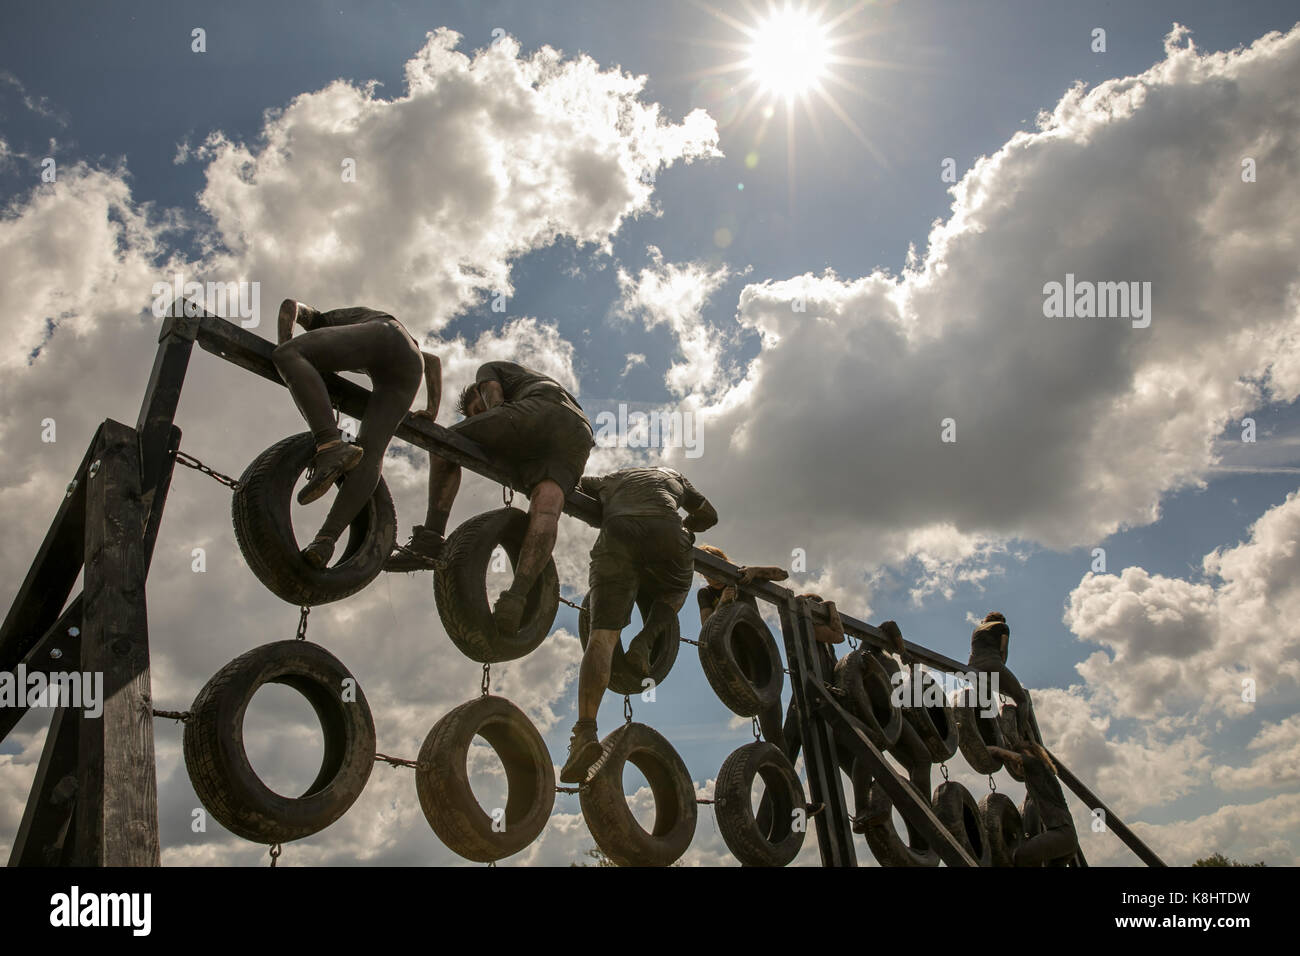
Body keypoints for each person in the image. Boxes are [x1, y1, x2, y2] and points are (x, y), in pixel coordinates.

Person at [385, 360, 595, 639]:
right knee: (546, 511)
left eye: (475, 413)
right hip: (579, 433)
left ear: (477, 393)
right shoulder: (540, 385)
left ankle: (431, 537)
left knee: (444, 442)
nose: (475, 420)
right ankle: (516, 599)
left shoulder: (488, 371)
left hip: (541, 412)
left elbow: (496, 408)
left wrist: (488, 417)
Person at [559, 466, 717, 784]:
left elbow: (572, 481)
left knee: (601, 637)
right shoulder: (674, 476)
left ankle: (585, 732)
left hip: (617, 531)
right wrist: (687, 525)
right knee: (674, 590)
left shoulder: (609, 480)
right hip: (668, 534)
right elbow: (709, 516)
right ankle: (645, 642)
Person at [271, 299, 439, 569]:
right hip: (410, 364)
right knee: (370, 454)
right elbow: (431, 361)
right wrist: (432, 409)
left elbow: (291, 305)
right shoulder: (382, 343)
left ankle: (329, 444)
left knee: (288, 356)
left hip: (386, 332)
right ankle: (325, 542)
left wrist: (284, 341)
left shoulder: (325, 321)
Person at [986, 740, 1080, 866]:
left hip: (1062, 834)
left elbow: (1019, 759)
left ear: (1034, 755)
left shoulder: (1039, 766)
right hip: (1067, 839)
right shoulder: (1035, 783)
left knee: (1020, 856)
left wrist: (993, 750)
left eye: (1023, 755)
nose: (1018, 765)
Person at [966, 611, 1036, 739]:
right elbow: (1003, 649)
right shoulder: (1002, 626)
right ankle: (1021, 736)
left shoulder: (977, 630)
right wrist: (1001, 667)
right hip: (992, 663)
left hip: (973, 667)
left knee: (986, 704)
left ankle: (989, 737)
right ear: (1001, 619)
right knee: (1022, 699)